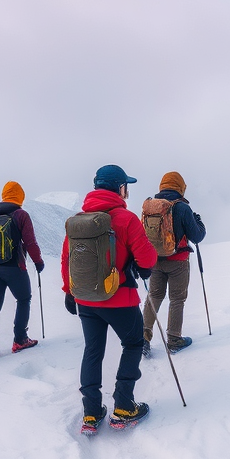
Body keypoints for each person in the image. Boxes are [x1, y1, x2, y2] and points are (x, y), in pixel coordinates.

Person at [61, 165, 158, 433]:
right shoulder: (125, 219)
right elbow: (148, 258)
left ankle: (91, 413)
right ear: (119, 188)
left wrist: (68, 291)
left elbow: (67, 259)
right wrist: (143, 266)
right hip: (120, 299)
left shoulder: (78, 220)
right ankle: (124, 406)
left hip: (86, 300)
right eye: (126, 185)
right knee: (133, 343)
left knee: (93, 350)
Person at [0, 181, 45, 361]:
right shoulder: (21, 215)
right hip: (14, 267)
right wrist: (38, 261)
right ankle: (20, 339)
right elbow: (30, 243)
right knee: (23, 299)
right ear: (20, 196)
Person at [141, 171, 206, 356]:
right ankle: (174, 339)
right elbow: (197, 236)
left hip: (154, 261)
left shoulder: (150, 207)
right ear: (180, 187)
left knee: (154, 296)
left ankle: (143, 338)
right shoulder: (182, 208)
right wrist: (199, 222)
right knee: (177, 299)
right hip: (177, 261)